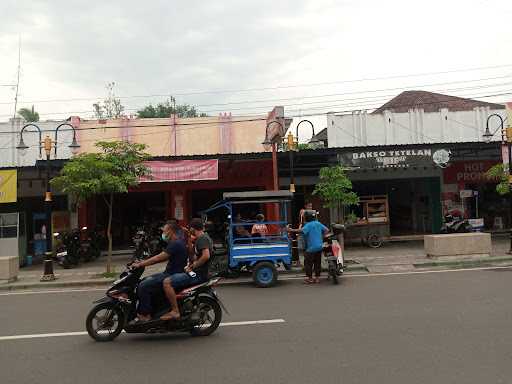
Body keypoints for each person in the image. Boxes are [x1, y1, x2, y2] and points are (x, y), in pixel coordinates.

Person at [130, 220, 188, 322]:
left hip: (172, 274)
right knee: (144, 281)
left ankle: (146, 314)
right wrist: (142, 261)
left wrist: (140, 264)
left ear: (170, 231)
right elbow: (161, 256)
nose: (163, 234)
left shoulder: (176, 244)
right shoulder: (177, 242)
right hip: (170, 273)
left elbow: (158, 258)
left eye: (164, 231)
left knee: (144, 286)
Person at [160, 218, 213, 320]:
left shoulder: (202, 238)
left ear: (193, 228)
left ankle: (175, 311)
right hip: (195, 272)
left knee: (167, 282)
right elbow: (193, 255)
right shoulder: (200, 239)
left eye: (190, 228)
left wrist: (194, 266)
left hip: (199, 274)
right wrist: (188, 239)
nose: (189, 230)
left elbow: (206, 256)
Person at [289, 210, 329, 284]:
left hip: (311, 248)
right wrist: (322, 237)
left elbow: (301, 231)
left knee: (308, 263)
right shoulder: (318, 223)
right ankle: (317, 278)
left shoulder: (308, 225)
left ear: (307, 217)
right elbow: (327, 230)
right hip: (320, 247)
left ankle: (310, 279)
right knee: (317, 263)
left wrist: (291, 230)